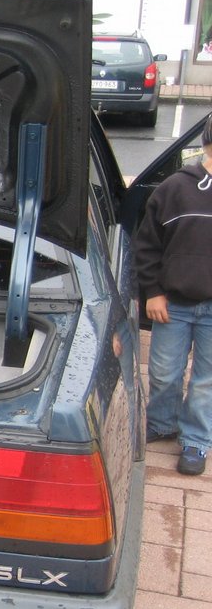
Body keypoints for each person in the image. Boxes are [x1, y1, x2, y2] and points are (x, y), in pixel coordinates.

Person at [135, 116, 212, 475]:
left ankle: (196, 439)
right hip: (173, 306)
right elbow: (147, 245)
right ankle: (162, 422)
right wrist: (153, 292)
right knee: (164, 373)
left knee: (206, 380)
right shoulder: (174, 188)